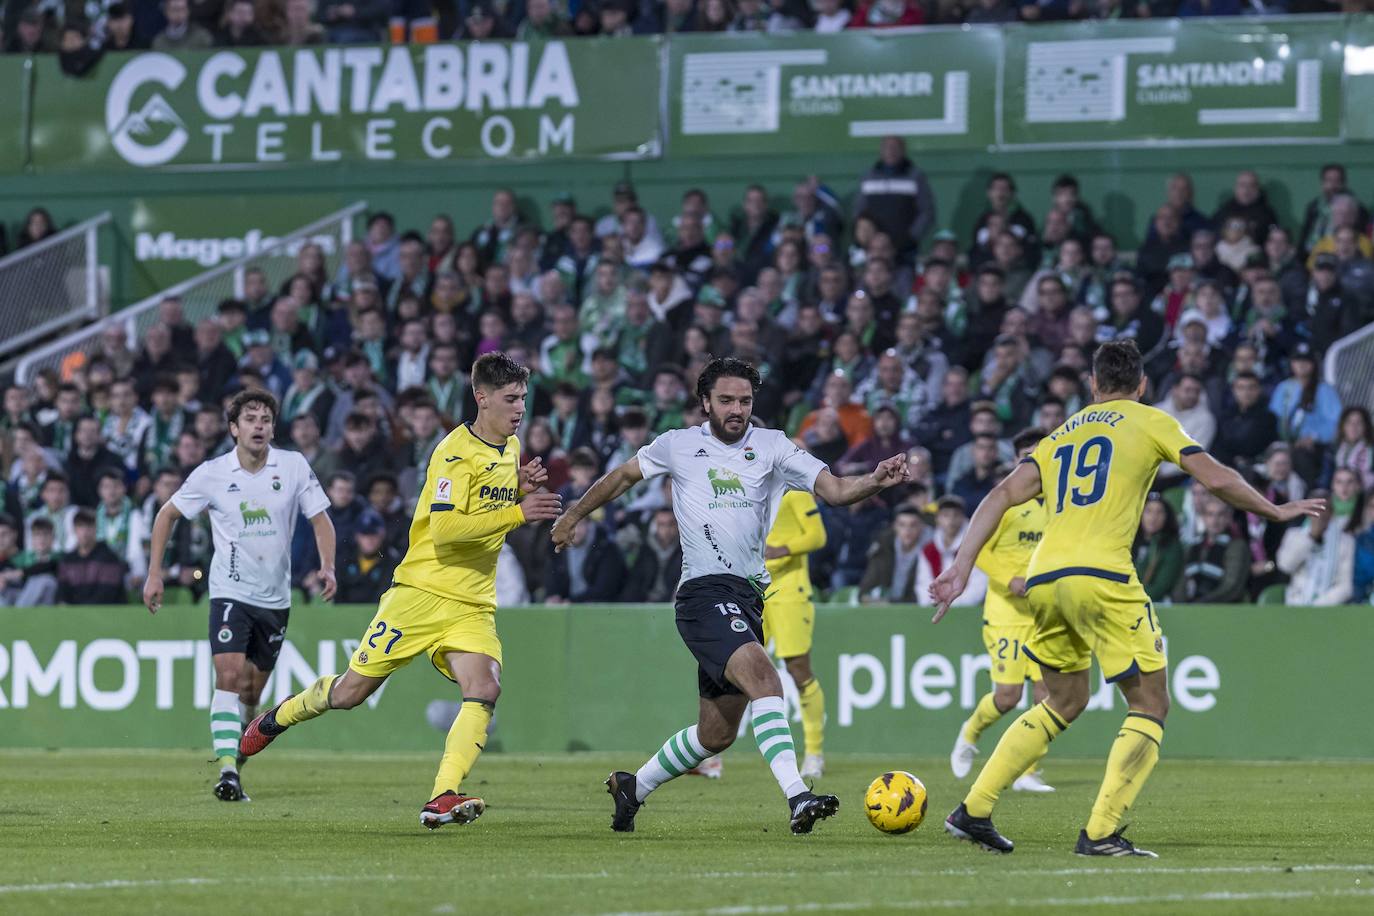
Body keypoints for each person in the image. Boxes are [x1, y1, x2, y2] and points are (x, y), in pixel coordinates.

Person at [930, 339, 1323, 857]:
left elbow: (1000, 494)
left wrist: (960, 566)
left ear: (1093, 386)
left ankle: (973, 810)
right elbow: (1215, 477)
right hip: (1102, 572)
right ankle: (1100, 832)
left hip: (1044, 576)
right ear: (1142, 386)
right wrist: (1274, 512)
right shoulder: (1149, 419)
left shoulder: (1061, 433)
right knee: (1151, 702)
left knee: (1064, 699)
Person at [552, 357, 909, 835]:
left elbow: (837, 489)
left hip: (747, 596)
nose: (736, 409)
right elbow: (620, 477)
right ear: (705, 403)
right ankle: (798, 796)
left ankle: (632, 787)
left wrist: (874, 480)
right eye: (726, 400)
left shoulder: (774, 446)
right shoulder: (677, 446)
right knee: (766, 679)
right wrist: (574, 514)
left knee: (716, 734)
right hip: (702, 592)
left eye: (744, 400)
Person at [238, 353, 561, 830]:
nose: (519, 409)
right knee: (348, 694)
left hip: (472, 601)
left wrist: (515, 486)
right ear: (482, 398)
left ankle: (442, 795)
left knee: (485, 687)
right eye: (510, 399)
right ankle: (274, 720)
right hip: (421, 594)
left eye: (523, 399)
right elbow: (449, 529)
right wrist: (518, 511)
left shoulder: (509, 448)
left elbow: (483, 502)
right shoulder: (453, 452)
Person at [143, 390, 336, 804]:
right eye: (251, 418)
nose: (260, 425)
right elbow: (167, 515)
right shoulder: (212, 473)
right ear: (234, 429)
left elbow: (320, 518)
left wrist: (328, 565)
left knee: (251, 693)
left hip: (275, 599)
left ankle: (242, 740)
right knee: (227, 678)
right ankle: (228, 770)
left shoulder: (294, 465)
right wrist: (154, 574)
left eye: (266, 418)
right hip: (228, 592)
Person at [951, 427, 1055, 795]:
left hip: (1045, 613)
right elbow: (980, 549)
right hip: (1007, 612)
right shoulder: (1007, 503)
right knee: (1008, 696)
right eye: (1027, 456)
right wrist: (1009, 579)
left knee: (1046, 693)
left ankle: (1028, 770)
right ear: (1016, 462)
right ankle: (971, 731)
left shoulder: (1061, 503)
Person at [762, 488, 829, 779]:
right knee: (734, 669)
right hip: (753, 589)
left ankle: (814, 753)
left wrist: (782, 549)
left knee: (798, 669)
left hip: (790, 590)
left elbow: (817, 535)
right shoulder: (750, 487)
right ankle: (714, 756)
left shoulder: (794, 492)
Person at [1133, 493, 1184, 603]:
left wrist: (1128, 596)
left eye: (1159, 512)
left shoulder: (1172, 546)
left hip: (1156, 605)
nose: (1153, 517)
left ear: (1167, 516)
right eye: (1149, 511)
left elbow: (1160, 588)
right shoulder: (1130, 542)